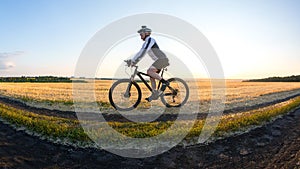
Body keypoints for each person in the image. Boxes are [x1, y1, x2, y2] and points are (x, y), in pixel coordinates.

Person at [130, 26, 169, 102]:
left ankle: (165, 83)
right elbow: (140, 52)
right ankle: (154, 94)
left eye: (141, 35)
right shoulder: (146, 42)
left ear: (146, 33)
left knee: (149, 71)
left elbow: (143, 52)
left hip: (162, 59)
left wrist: (134, 61)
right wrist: (132, 60)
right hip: (159, 60)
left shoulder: (150, 40)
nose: (140, 37)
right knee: (151, 76)